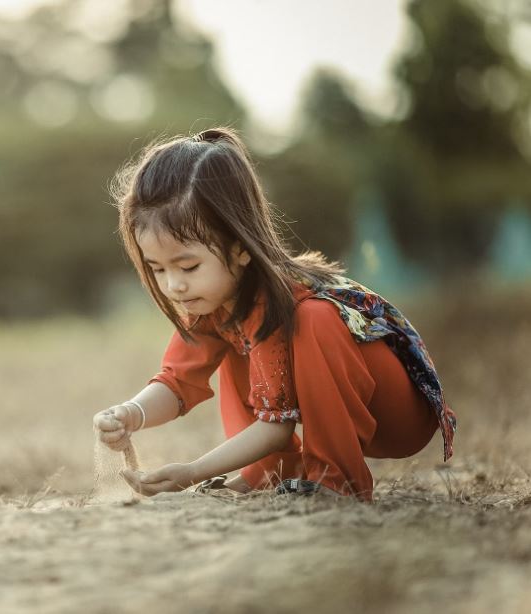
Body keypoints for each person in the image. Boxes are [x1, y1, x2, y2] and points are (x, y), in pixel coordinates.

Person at [92, 126, 457, 502]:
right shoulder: (210, 302)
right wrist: (131, 413)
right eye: (157, 269)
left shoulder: (281, 301)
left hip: (397, 415)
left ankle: (337, 481)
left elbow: (274, 429)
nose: (174, 286)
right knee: (237, 345)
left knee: (313, 318)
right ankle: (272, 472)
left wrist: (192, 472)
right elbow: (176, 382)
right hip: (338, 414)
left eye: (187, 267)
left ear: (240, 247)